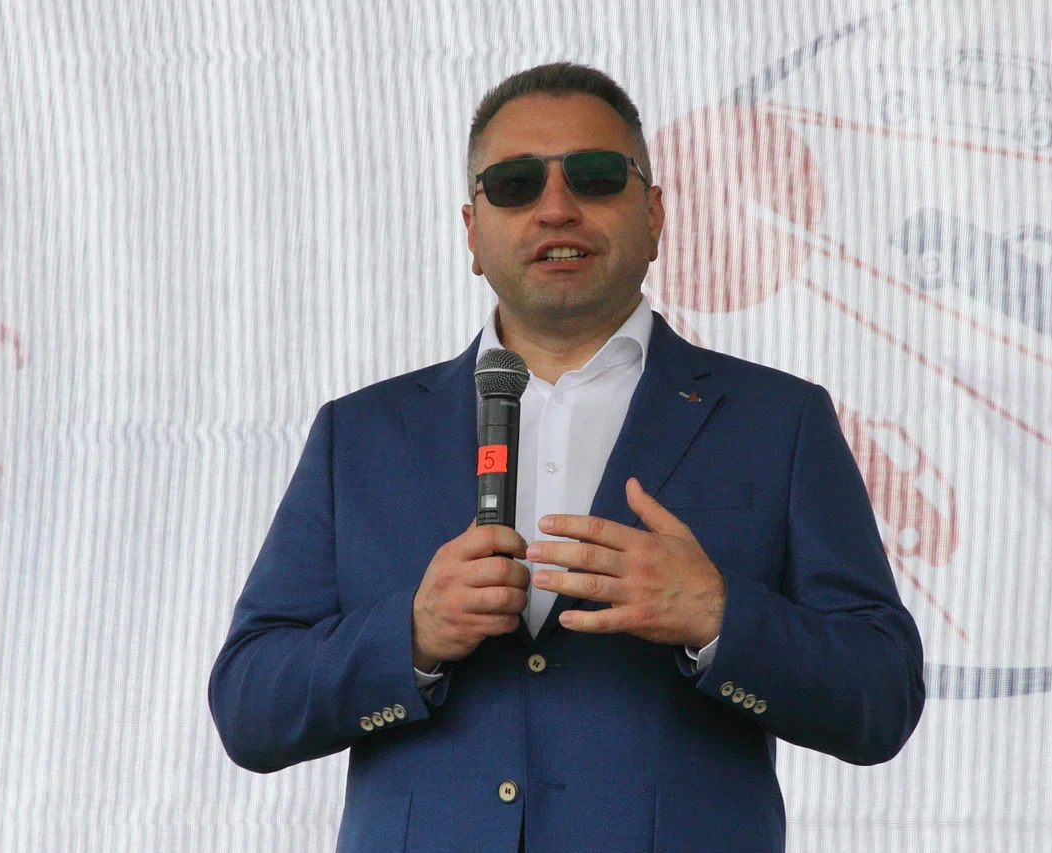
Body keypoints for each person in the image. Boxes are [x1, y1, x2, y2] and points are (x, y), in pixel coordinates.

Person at [208, 62, 925, 853]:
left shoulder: (778, 421)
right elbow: (248, 705)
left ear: (654, 214)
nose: (556, 207)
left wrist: (719, 615)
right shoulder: (360, 434)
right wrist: (409, 634)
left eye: (595, 176)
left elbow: (882, 694)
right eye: (515, 184)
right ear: (472, 231)